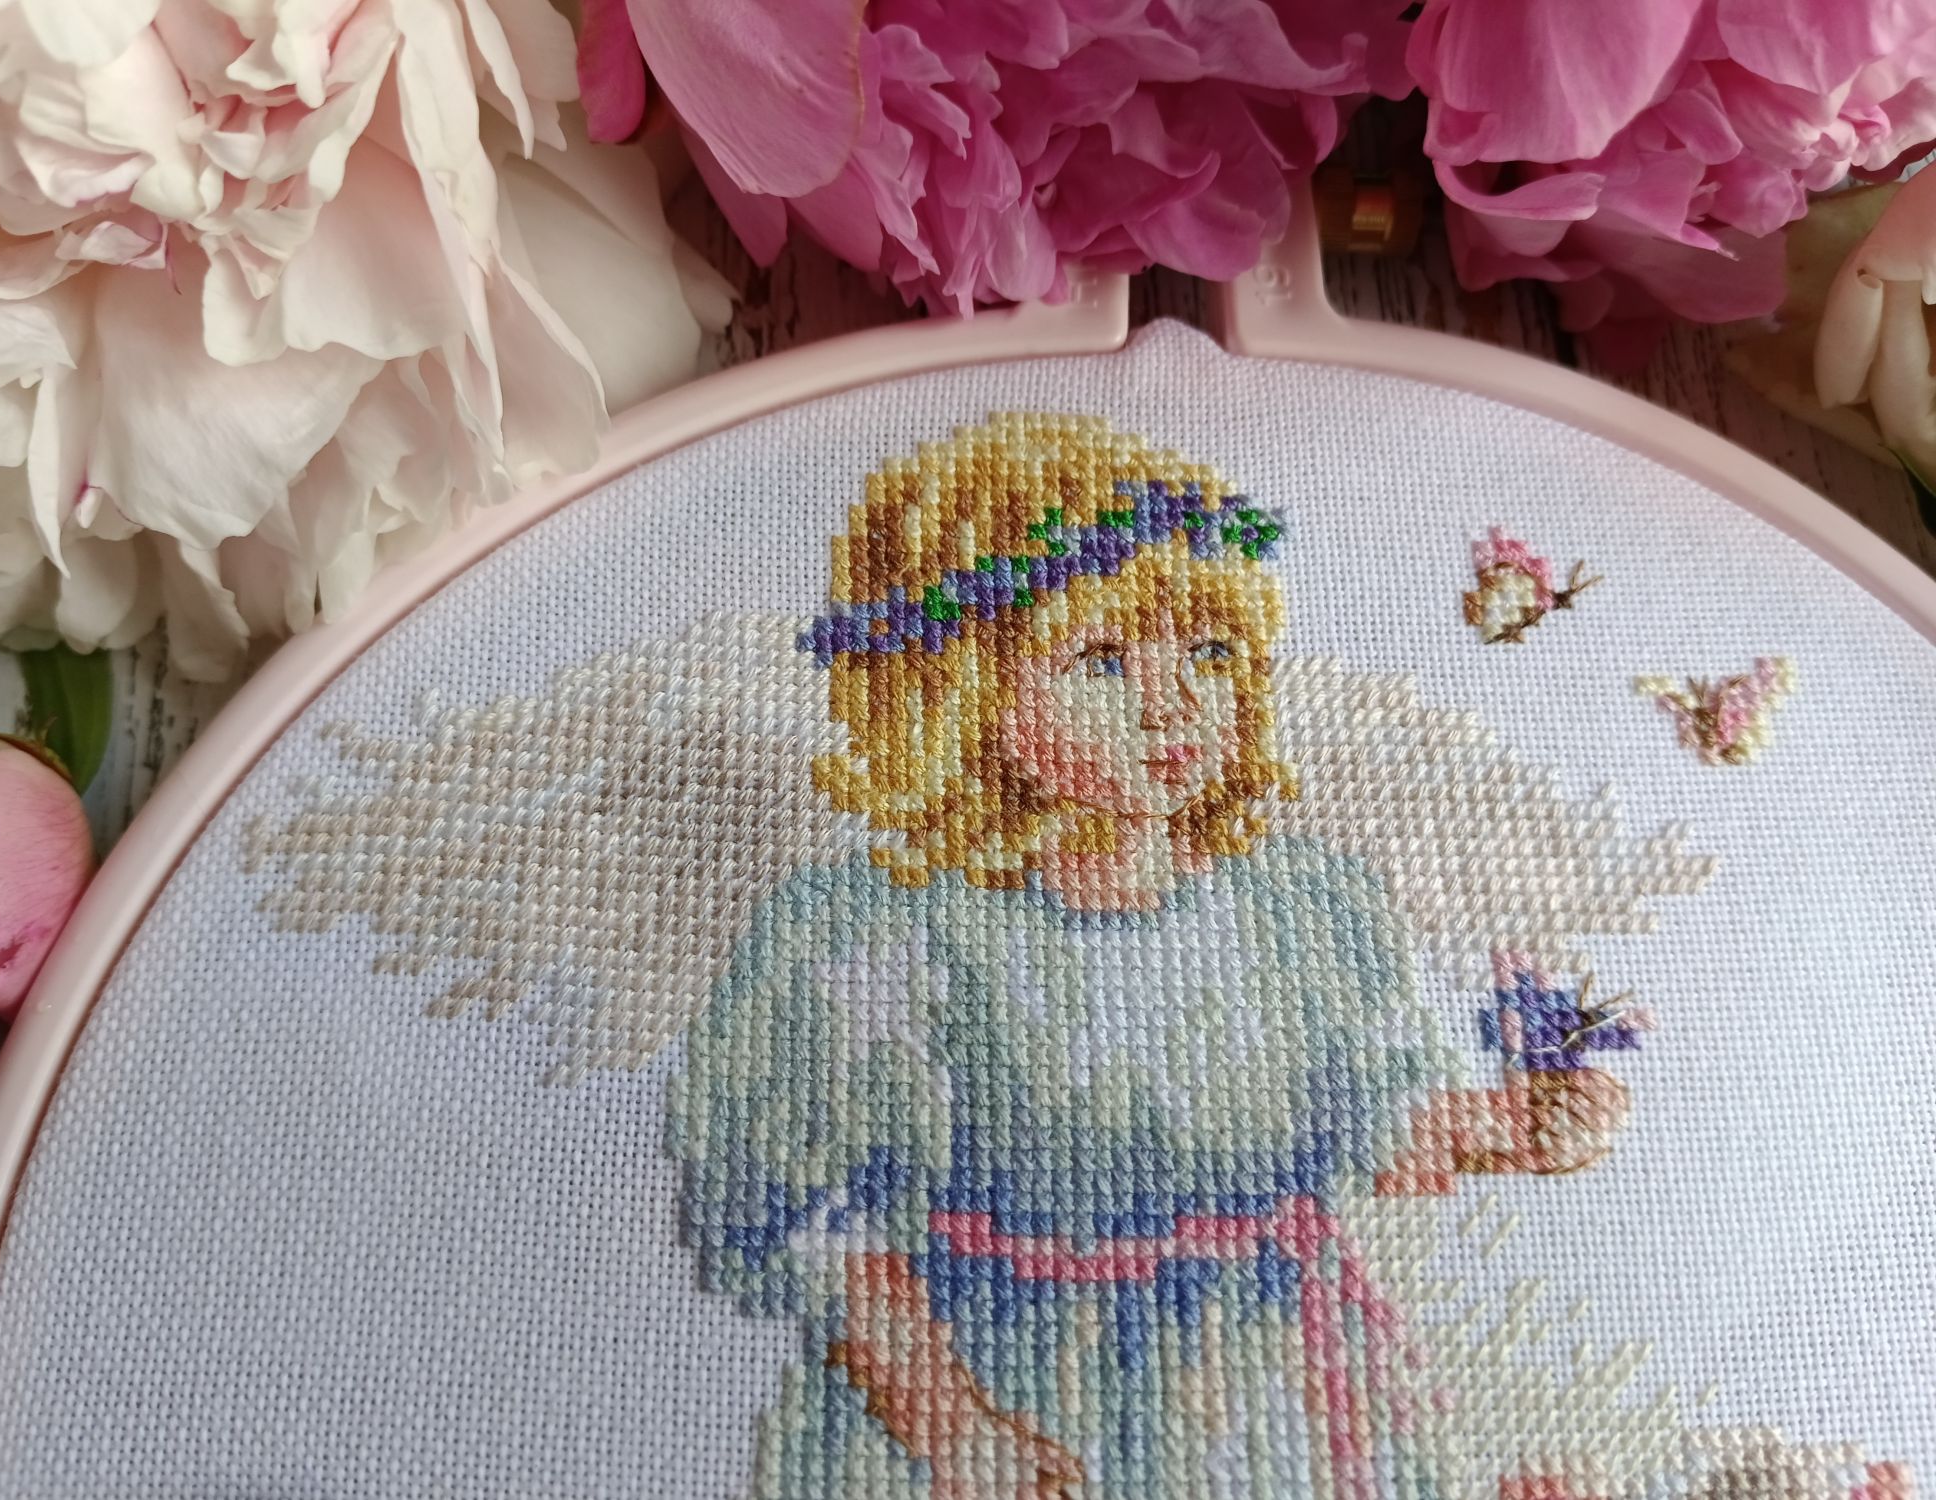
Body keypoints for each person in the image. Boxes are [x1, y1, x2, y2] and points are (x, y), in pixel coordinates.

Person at [670, 414, 1655, 1500]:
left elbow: (1371, 1123)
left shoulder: (1303, 911)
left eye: (1209, 653)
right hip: (1003, 1391)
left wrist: (1503, 1128)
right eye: (1102, 662)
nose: (1173, 701)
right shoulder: (884, 936)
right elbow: (824, 1232)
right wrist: (955, 1431)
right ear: (958, 690)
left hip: (1271, 1401)